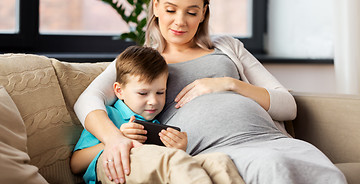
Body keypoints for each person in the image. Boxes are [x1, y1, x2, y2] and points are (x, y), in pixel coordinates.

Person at [74, 0, 347, 184]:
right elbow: (87, 100)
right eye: (170, 10)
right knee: (274, 169)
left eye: (192, 12)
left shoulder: (227, 47)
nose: (180, 21)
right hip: (219, 152)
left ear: (204, 13)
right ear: (155, 6)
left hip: (271, 139)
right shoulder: (143, 59)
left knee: (326, 173)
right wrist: (115, 139)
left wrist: (227, 84)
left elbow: (288, 106)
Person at [70, 45, 242, 184]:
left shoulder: (158, 125)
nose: (153, 101)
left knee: (219, 162)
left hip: (154, 169)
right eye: (143, 93)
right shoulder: (108, 116)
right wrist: (114, 140)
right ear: (119, 91)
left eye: (160, 93)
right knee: (173, 162)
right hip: (115, 168)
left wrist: (180, 149)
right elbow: (76, 164)